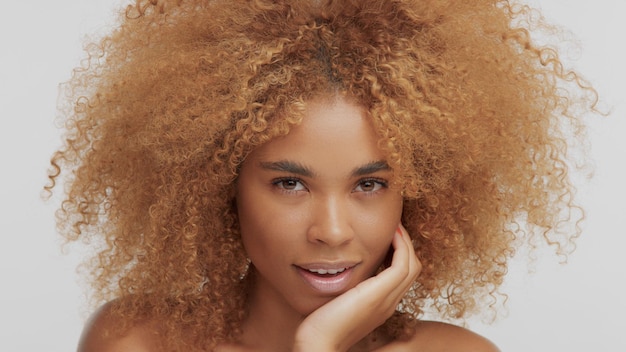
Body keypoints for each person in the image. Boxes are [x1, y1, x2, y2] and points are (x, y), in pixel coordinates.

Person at [46, 0, 596, 351]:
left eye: (369, 185)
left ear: (419, 193)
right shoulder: (137, 342)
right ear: (219, 187)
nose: (331, 232)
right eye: (290, 183)